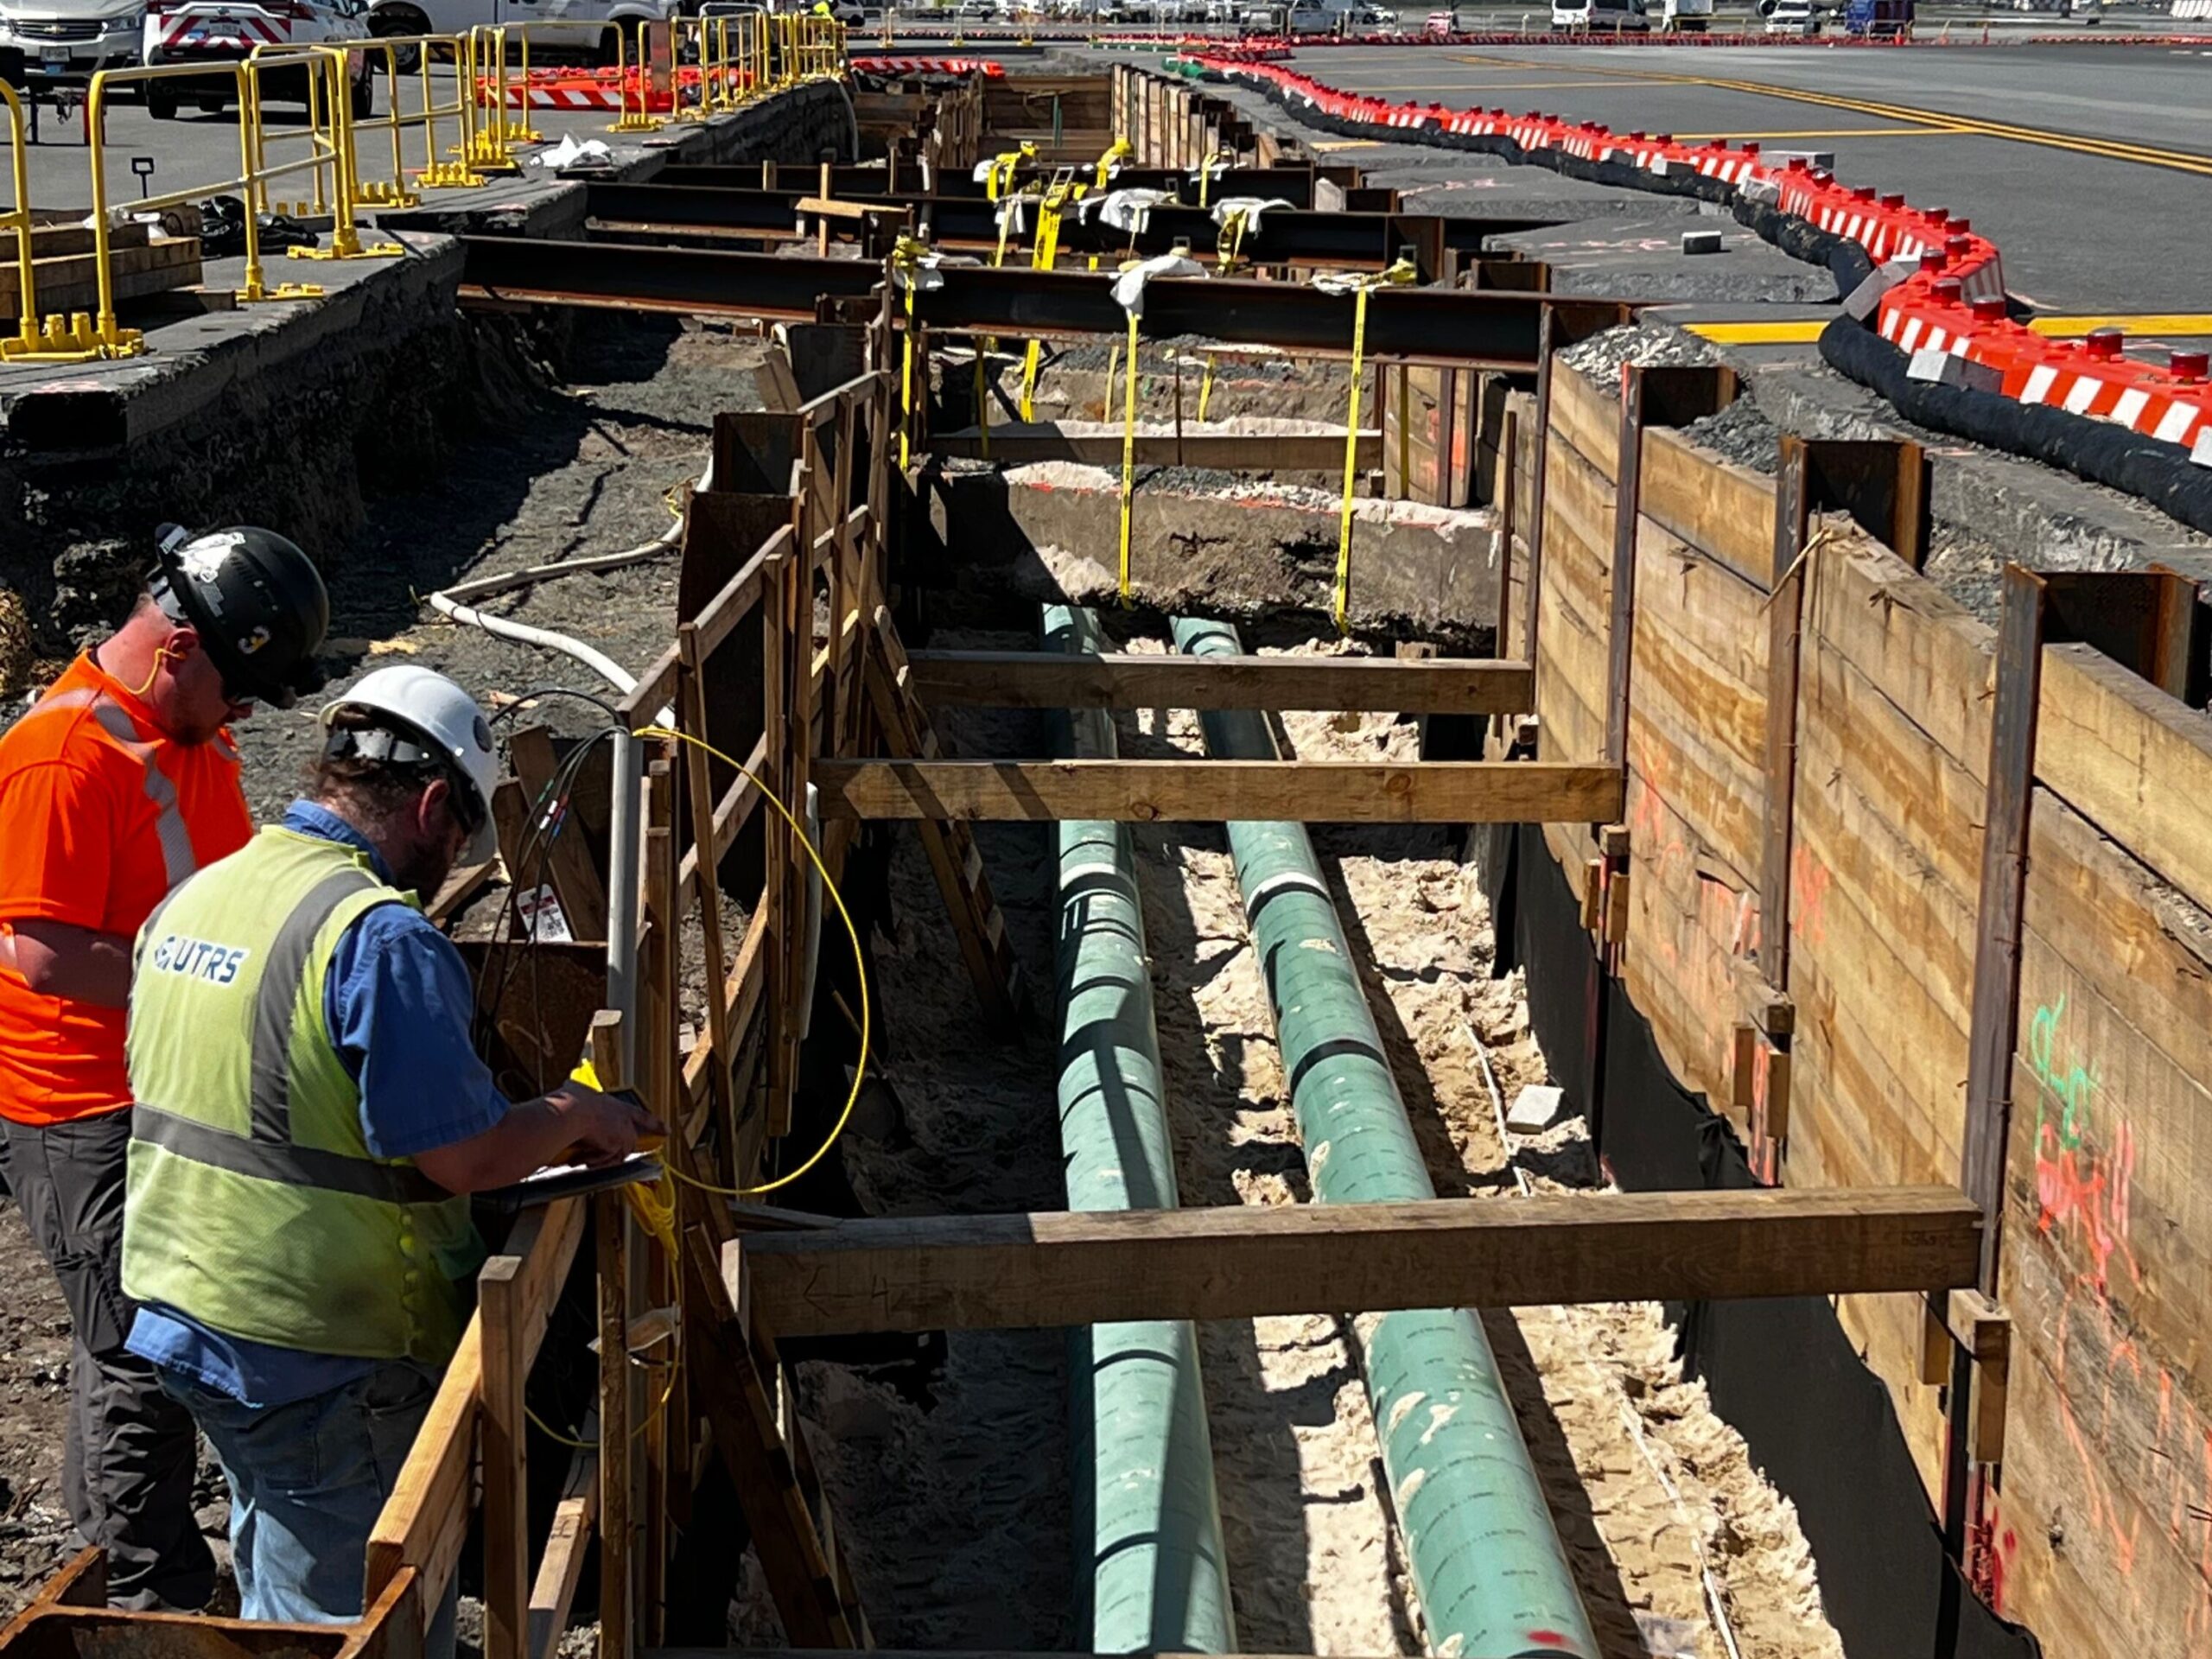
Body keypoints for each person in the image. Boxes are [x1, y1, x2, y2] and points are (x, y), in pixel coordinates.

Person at [119, 664, 661, 1645]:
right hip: (317, 1339)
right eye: (456, 838)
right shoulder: (375, 934)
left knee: (277, 1551)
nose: (450, 863)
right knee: (358, 1621)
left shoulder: (207, 894)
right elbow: (465, 1155)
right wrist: (573, 1112)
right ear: (429, 803)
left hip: (187, 1309)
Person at [0, 525, 331, 1611]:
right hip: (80, 1103)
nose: (245, 715)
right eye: (239, 689)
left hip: (165, 1084)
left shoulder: (188, 738)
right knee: (141, 1349)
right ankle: (154, 1592)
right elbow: (40, 951)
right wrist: (210, 985)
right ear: (181, 645)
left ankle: (109, 1542)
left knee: (142, 1333)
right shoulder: (63, 755)